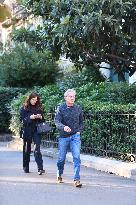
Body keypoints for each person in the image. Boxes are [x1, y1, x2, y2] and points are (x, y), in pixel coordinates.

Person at [54, 89, 84, 187]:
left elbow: (82, 122)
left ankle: (76, 179)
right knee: (61, 158)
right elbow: (57, 122)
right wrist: (64, 127)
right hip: (63, 137)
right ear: (65, 97)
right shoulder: (61, 108)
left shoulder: (78, 108)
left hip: (75, 136)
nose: (72, 98)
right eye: (70, 96)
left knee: (76, 157)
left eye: (74, 96)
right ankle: (59, 173)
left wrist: (79, 131)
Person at [20, 92, 45, 175]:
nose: (35, 101)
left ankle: (40, 168)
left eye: (36, 100)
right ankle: (26, 167)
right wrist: (30, 118)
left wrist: (40, 117)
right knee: (27, 149)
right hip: (27, 131)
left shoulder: (39, 107)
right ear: (29, 99)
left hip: (36, 131)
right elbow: (22, 120)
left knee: (37, 149)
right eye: (33, 99)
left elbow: (43, 121)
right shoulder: (24, 108)